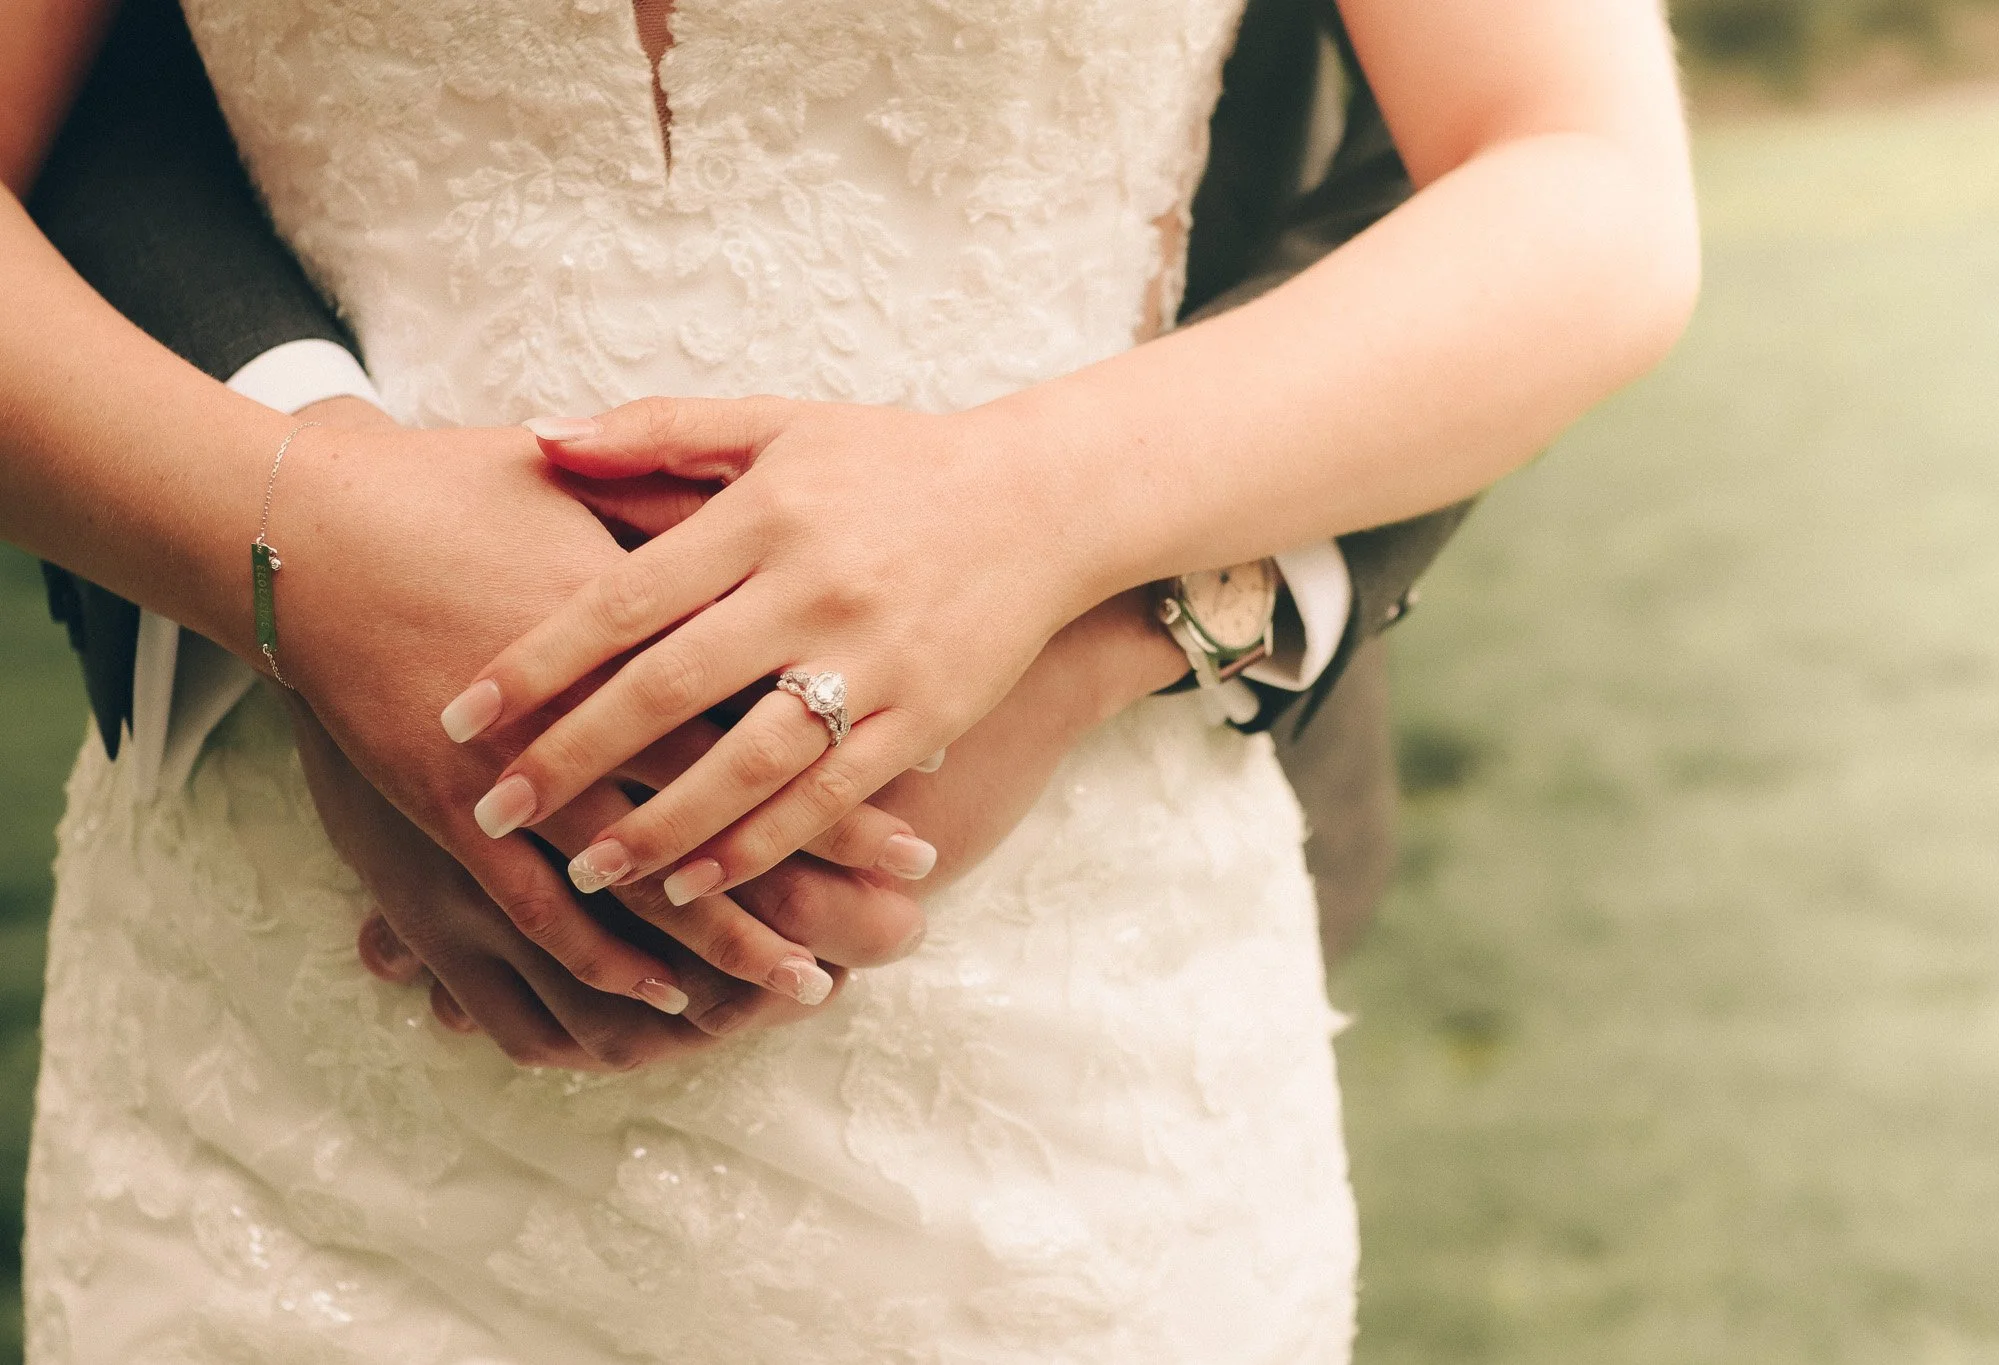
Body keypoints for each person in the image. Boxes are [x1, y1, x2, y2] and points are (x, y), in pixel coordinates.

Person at [0, 0, 1698, 1359]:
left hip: (1055, 1079)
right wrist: (306, 556)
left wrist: (1033, 530)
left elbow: (1580, 180)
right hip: (289, 1092)